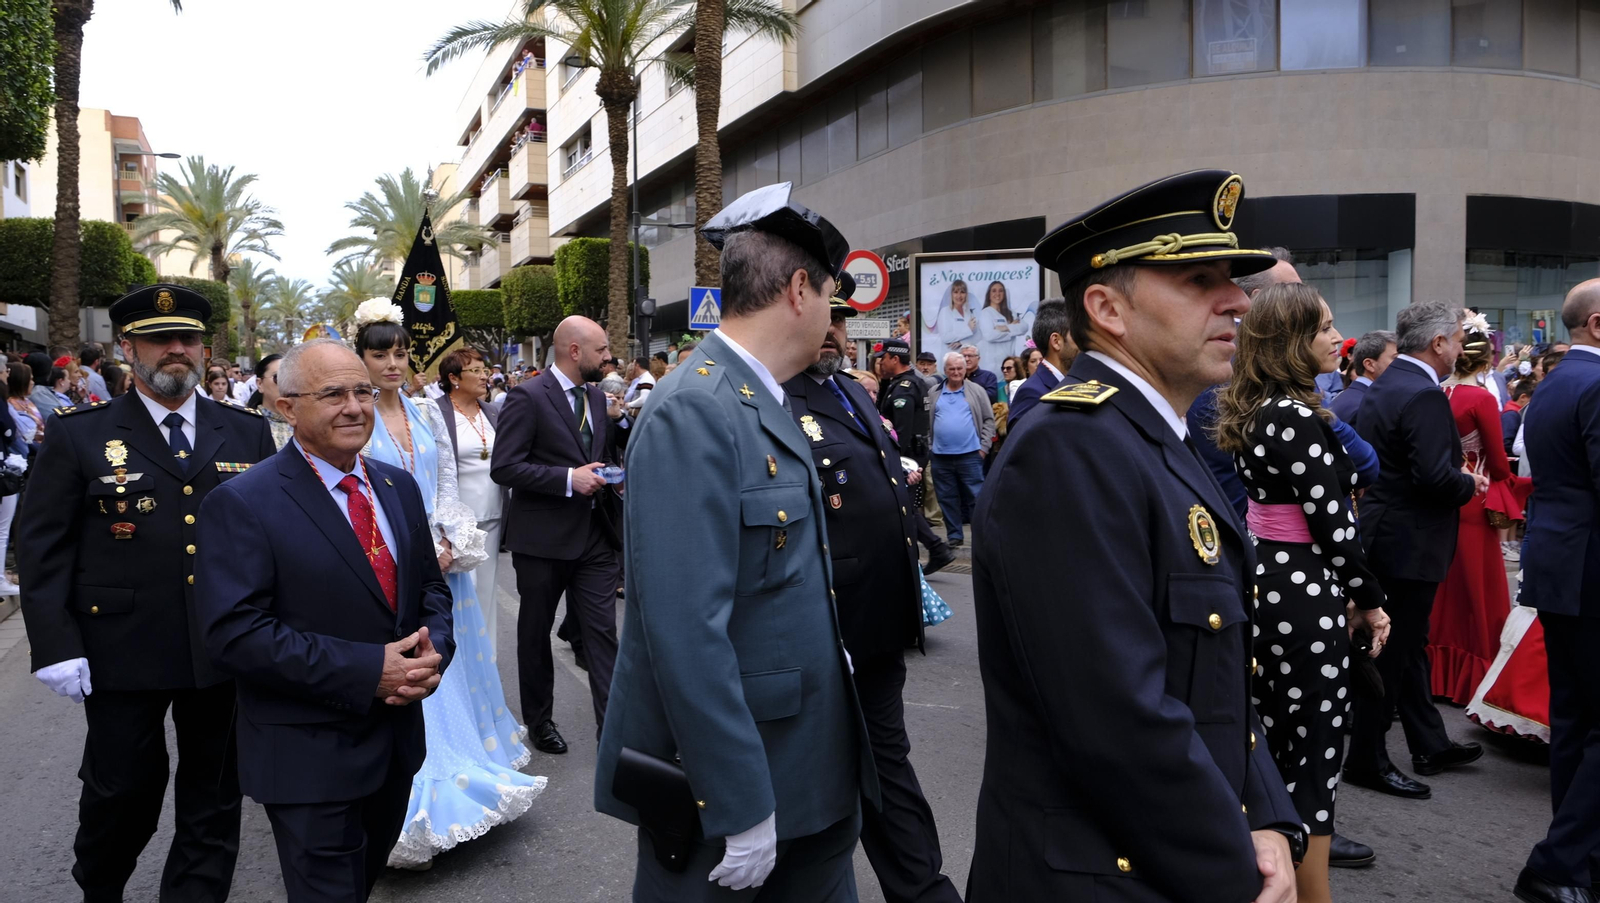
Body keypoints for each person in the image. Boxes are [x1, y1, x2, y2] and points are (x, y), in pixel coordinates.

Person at [968, 169, 1302, 903]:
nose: (1239, 300)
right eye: (1197, 278)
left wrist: (1270, 817)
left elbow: (1218, 682)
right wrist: (1232, 866)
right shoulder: (1070, 448)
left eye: (1233, 279)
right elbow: (1116, 720)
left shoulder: (1152, 436)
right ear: (1106, 307)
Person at [595, 182, 876, 901]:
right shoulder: (697, 408)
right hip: (742, 785)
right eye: (832, 299)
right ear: (799, 288)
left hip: (804, 771)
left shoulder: (758, 399)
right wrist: (738, 802)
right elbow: (686, 633)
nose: (834, 321)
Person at [20, 284, 276, 902]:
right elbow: (42, 548)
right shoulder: (81, 433)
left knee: (214, 798)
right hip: (119, 647)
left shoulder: (246, 432)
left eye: (187, 339)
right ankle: (101, 888)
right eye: (161, 340)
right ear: (128, 347)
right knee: (121, 793)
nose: (176, 351)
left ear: (205, 348)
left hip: (221, 644)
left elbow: (271, 539)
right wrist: (55, 643)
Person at [193, 338, 453, 902]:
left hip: (395, 746)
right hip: (307, 757)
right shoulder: (243, 501)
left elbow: (430, 588)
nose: (356, 407)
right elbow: (234, 634)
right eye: (333, 394)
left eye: (363, 390)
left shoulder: (396, 485)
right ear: (287, 407)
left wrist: (434, 655)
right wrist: (368, 671)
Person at [1213, 282, 1392, 901]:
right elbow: (1335, 527)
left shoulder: (1262, 408)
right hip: (1303, 590)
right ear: (1290, 340)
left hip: (1275, 582)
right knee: (1314, 756)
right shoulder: (1293, 415)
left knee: (1283, 748)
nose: (1335, 338)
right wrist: (1368, 599)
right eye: (1323, 328)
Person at [782, 289, 962, 903]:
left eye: (843, 322)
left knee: (887, 762)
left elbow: (886, 482)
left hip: (877, 625)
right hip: (817, 628)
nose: (835, 332)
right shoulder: (773, 397)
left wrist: (922, 540)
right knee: (816, 780)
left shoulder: (853, 390)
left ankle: (922, 887)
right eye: (827, 319)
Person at [348, 307, 540, 868]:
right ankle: (407, 792)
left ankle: (460, 758)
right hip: (386, 563)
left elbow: (447, 478)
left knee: (452, 662)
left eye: (399, 353)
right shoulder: (357, 418)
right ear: (361, 358)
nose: (390, 363)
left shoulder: (426, 410)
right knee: (407, 668)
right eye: (379, 353)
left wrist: (450, 535)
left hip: (439, 560)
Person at [1345, 300, 1488, 801]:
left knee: (1404, 647)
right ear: (1438, 343)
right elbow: (1431, 476)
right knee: (1392, 650)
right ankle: (1367, 757)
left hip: (1386, 532)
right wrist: (1467, 485)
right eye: (1457, 337)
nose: (1461, 347)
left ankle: (1427, 742)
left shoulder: (1389, 382)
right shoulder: (1421, 392)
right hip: (1408, 540)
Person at [491, 315, 624, 756]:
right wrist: (568, 478)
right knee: (535, 632)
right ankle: (540, 720)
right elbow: (505, 467)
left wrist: (609, 476)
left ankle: (615, 732)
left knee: (603, 632)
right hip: (542, 541)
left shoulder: (594, 397)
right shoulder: (526, 397)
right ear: (574, 351)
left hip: (594, 537)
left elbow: (597, 455)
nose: (609, 357)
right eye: (601, 350)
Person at [1515, 279, 1600, 903]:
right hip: (1589, 568)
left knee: (1575, 719)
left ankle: (1578, 858)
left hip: (1561, 565)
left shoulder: (1555, 383)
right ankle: (1559, 862)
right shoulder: (1593, 382)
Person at [1428, 314, 1525, 706]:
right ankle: (1472, 681)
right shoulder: (1481, 399)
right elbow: (1500, 467)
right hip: (1474, 498)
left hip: (1439, 498)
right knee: (1476, 591)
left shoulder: (1433, 393)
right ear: (1486, 360)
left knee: (1443, 590)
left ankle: (1432, 673)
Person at [436, 347, 508, 645]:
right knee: (457, 600)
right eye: (475, 371)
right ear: (453, 378)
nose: (484, 376)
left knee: (486, 597)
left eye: (484, 370)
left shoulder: (492, 411)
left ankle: (486, 666)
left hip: (493, 518)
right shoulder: (436, 412)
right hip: (456, 526)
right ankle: (455, 667)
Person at [877, 339, 956, 575]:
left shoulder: (905, 387)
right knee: (908, 507)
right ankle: (936, 548)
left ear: (894, 358)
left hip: (907, 459)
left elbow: (899, 432)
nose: (880, 363)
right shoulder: (902, 383)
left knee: (905, 508)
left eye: (883, 358)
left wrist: (893, 461)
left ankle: (924, 554)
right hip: (913, 456)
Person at [927, 350, 994, 548]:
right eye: (951, 369)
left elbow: (989, 420)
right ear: (945, 370)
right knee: (947, 498)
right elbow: (927, 422)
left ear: (965, 370)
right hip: (940, 456)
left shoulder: (977, 391)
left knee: (976, 497)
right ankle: (955, 535)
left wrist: (983, 448)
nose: (956, 372)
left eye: (959, 368)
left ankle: (980, 536)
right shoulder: (934, 393)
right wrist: (931, 446)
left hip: (971, 455)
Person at [1005, 299, 1073, 428]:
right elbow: (1022, 445)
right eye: (1075, 335)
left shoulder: (1071, 383)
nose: (1081, 344)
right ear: (1056, 341)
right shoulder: (1032, 393)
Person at [1328, 329, 1398, 426]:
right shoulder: (1367, 406)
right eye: (1395, 358)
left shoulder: (1350, 396)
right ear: (1369, 365)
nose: (1402, 363)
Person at [974, 281, 1033, 376]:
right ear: (989, 295)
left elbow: (1024, 327)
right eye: (994, 291)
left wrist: (1005, 327)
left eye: (1000, 291)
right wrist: (1012, 331)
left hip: (1009, 364)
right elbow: (990, 335)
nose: (997, 294)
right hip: (991, 365)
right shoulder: (985, 313)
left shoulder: (1011, 313)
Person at [254, 353, 293, 450]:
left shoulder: (305, 424)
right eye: (278, 377)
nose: (285, 384)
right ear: (260, 384)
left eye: (290, 378)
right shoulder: (248, 425)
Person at [928, 279, 976, 354]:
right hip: (950, 358)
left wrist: (962, 342)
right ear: (951, 294)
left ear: (966, 294)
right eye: (956, 292)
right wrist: (968, 329)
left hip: (965, 358)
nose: (959, 296)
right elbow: (945, 337)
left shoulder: (969, 313)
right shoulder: (945, 312)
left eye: (962, 292)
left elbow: (978, 335)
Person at [8, 362, 42, 446]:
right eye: (30, 379)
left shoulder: (26, 400)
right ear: (21, 381)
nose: (32, 383)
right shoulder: (11, 403)